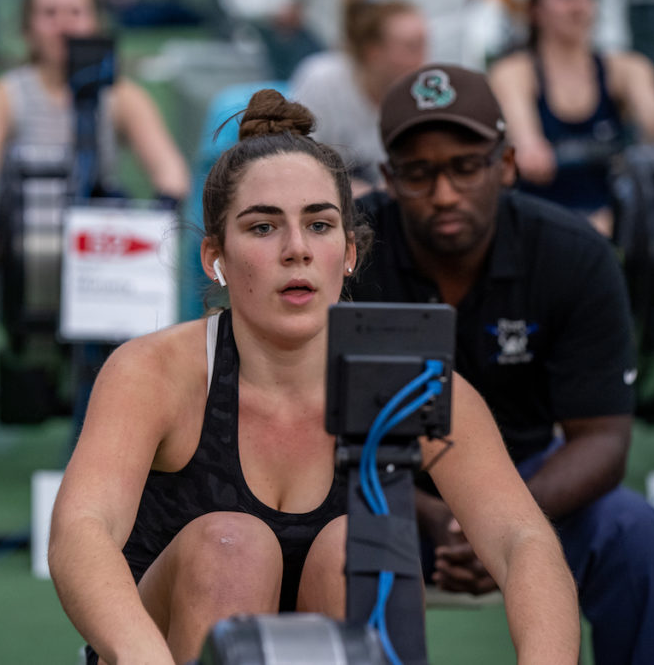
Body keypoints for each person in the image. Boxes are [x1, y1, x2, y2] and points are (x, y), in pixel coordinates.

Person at [47, 88, 580, 665]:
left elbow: (523, 541)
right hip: (161, 651)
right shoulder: (154, 372)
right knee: (232, 546)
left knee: (356, 550)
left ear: (349, 253)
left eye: (319, 225)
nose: (296, 249)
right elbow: (81, 530)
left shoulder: (406, 381)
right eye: (262, 228)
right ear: (214, 257)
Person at [350, 63, 654, 665]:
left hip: (532, 482)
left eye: (465, 167)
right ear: (389, 179)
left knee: (636, 535)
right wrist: (443, 516)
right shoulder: (346, 252)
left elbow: (603, 439)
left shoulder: (575, 255)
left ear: (505, 165)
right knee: (318, 532)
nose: (444, 193)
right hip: (383, 487)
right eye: (419, 174)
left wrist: (499, 521)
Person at [0, 0, 190, 262]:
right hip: (24, 232)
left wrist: (165, 205)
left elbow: (168, 166)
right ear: (27, 28)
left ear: (96, 22)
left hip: (97, 238)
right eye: (49, 13)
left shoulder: (121, 96)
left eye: (75, 12)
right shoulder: (3, 96)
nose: (63, 24)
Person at [488, 0, 654, 236]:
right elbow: (523, 135)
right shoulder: (514, 72)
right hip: (540, 226)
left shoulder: (626, 68)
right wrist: (528, 144)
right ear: (535, 9)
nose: (577, 6)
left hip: (609, 224)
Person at [290, 0, 427, 194]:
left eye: (424, 46)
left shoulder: (421, 97)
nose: (422, 60)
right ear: (373, 52)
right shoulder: (322, 80)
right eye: (412, 48)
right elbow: (294, 163)